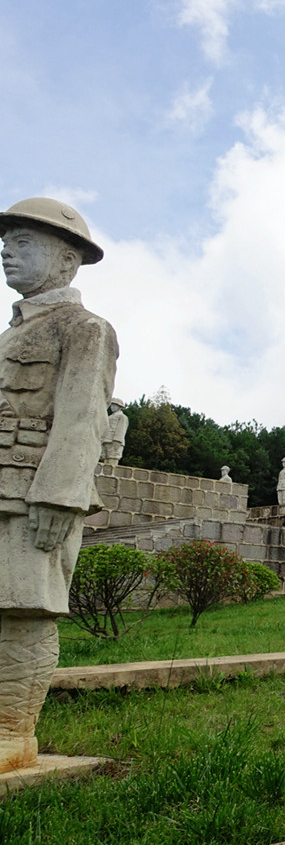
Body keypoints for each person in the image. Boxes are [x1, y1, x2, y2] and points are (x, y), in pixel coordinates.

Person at [0, 197, 116, 772]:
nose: (6, 251)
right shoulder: (9, 336)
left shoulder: (84, 329)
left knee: (26, 607)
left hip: (34, 493)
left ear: (67, 261)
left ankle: (12, 735)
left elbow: (81, 418)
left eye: (23, 243)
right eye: (7, 241)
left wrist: (59, 496)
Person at [101, 398, 128, 465]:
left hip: (114, 441)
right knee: (105, 459)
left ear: (119, 407)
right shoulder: (109, 417)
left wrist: (117, 440)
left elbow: (121, 429)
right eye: (111, 405)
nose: (112, 407)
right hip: (106, 440)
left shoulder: (122, 417)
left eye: (115, 405)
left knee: (112, 459)